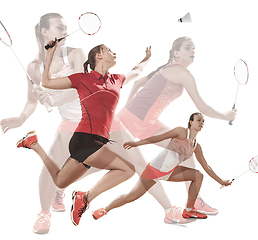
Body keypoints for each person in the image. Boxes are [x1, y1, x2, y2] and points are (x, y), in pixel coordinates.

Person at [16, 39, 169, 227]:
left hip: (96, 141)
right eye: (109, 49)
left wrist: (146, 58)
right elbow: (46, 81)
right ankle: (86, 197)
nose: (114, 52)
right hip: (84, 140)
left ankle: (33, 143)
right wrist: (49, 53)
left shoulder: (117, 79)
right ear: (99, 55)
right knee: (128, 169)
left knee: (60, 181)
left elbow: (136, 71)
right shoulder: (82, 79)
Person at [117, 37, 237, 215]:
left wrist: (127, 111)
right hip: (140, 122)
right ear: (176, 53)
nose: (192, 51)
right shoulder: (182, 73)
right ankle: (193, 201)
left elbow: (136, 83)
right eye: (188, 48)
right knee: (185, 146)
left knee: (186, 146)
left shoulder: (165, 69)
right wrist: (225, 115)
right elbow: (201, 107)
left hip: (140, 121)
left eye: (193, 48)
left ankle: (193, 200)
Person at [92, 113, 231, 220]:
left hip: (170, 172)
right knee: (131, 196)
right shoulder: (182, 132)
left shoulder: (196, 146)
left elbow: (207, 167)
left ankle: (189, 209)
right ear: (191, 122)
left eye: (203, 121)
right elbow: (159, 138)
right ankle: (105, 209)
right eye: (199, 120)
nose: (202, 123)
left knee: (198, 175)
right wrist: (136, 143)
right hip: (154, 170)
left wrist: (222, 182)